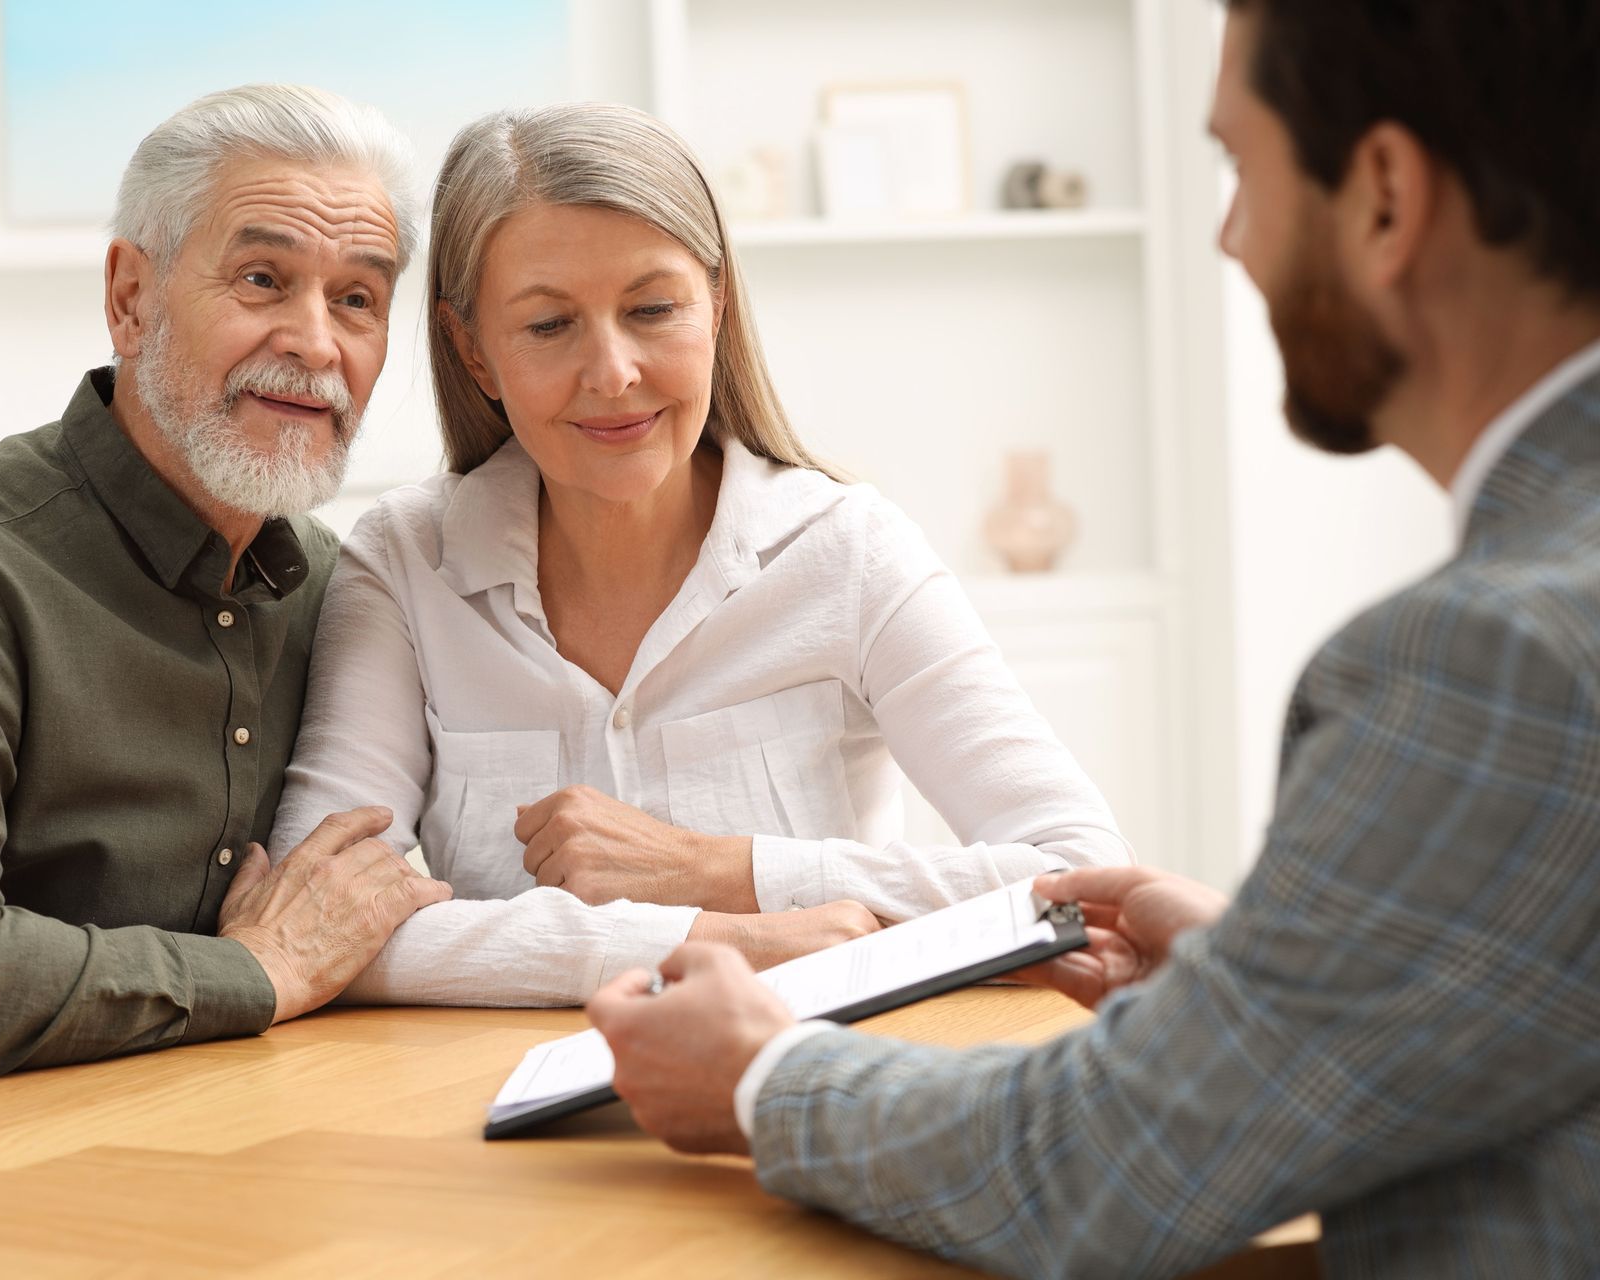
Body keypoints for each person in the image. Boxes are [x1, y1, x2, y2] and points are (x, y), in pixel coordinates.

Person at [587, 1, 1600, 1275]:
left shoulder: (1495, 656)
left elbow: (1109, 1165)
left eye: (1239, 167)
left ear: (1386, 197)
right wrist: (1263, 972)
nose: (1228, 239)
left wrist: (762, 1072)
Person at [266, 103, 1131, 1006]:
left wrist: (719, 870)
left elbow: (1083, 880)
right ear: (473, 352)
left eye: (651, 309)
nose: (613, 372)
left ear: (715, 307)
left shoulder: (847, 551)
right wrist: (713, 938)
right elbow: (315, 922)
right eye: (549, 326)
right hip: (482, 1117)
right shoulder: (404, 564)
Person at [0, 85, 454, 1086]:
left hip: (188, 1128)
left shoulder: (339, 588)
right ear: (131, 297)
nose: (316, 343)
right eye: (261, 277)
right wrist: (257, 967)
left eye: (358, 299)